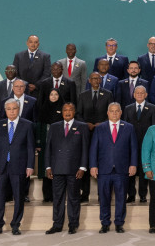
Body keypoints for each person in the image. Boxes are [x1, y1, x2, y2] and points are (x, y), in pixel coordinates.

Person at [89, 103, 138, 233]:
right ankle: (105, 223)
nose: (114, 113)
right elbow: (94, 148)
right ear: (107, 113)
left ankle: (119, 223)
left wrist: (133, 164)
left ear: (121, 112)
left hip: (122, 169)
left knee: (121, 197)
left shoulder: (129, 127)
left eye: (117, 111)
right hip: (104, 169)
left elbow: (133, 148)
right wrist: (93, 165)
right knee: (104, 198)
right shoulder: (100, 128)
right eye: (112, 111)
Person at [0, 99, 35, 236]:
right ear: (5, 110)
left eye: (14, 108)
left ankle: (15, 225)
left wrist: (30, 165)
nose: (11, 111)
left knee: (19, 197)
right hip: (2, 166)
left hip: (19, 166)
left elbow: (30, 147)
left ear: (18, 109)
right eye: (8, 109)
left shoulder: (27, 125)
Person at [43, 102, 88, 235]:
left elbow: (85, 148)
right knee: (57, 198)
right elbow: (48, 148)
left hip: (75, 169)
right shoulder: (54, 127)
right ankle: (57, 224)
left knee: (74, 198)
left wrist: (83, 167)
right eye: (65, 110)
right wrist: (48, 166)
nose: (67, 112)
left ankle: (73, 224)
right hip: (57, 168)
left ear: (74, 112)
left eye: (70, 110)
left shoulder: (82, 126)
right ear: (62, 112)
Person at [76, 72, 113, 202]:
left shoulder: (108, 94)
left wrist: (101, 124)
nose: (96, 80)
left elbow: (111, 113)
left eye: (98, 78)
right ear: (89, 80)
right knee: (85, 160)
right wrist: (86, 124)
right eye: (93, 78)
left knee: (102, 162)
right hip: (86, 132)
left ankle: (101, 194)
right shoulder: (82, 95)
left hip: (102, 131)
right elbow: (78, 114)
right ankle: (84, 194)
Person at [122, 86, 155, 202]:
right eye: (137, 93)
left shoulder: (152, 108)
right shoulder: (127, 108)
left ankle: (143, 195)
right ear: (134, 94)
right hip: (130, 144)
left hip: (146, 144)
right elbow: (125, 128)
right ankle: (131, 195)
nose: (139, 94)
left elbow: (154, 127)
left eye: (142, 93)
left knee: (144, 169)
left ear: (146, 95)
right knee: (130, 169)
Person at [35, 89, 65, 203]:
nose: (53, 96)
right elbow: (39, 125)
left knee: (57, 171)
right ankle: (47, 196)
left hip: (59, 146)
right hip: (44, 144)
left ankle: (56, 195)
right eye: (51, 94)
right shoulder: (43, 108)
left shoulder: (63, 109)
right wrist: (38, 143)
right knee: (45, 170)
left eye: (56, 94)